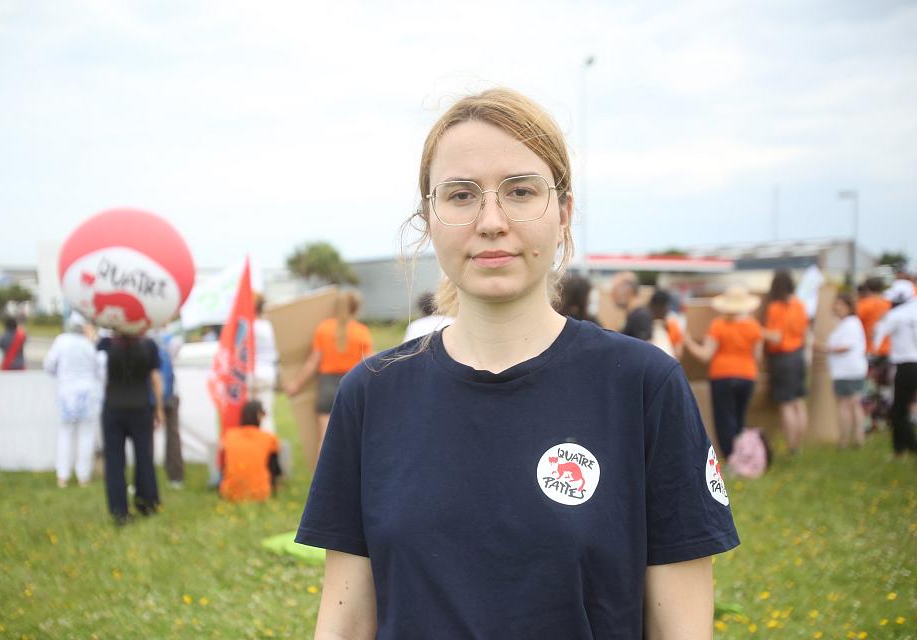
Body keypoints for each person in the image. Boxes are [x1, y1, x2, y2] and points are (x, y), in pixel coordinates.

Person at [296, 88, 738, 638]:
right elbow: (345, 624)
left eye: (521, 191)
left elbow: (683, 627)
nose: (491, 220)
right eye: (460, 196)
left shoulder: (642, 385)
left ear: (564, 212)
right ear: (428, 218)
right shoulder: (372, 393)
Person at [284, 290, 372, 454]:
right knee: (355, 438)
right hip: (352, 387)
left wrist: (295, 385)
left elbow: (312, 364)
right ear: (356, 308)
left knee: (325, 439)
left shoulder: (324, 329)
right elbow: (368, 366)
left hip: (327, 386)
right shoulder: (362, 332)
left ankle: (321, 478)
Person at [684, 285, 764, 459]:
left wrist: (688, 341)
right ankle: (743, 456)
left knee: (724, 420)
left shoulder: (718, 325)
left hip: (722, 376)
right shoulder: (754, 326)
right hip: (747, 376)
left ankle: (730, 457)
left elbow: (705, 355)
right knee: (740, 418)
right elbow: (758, 356)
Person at [97, 329, 164, 525]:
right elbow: (155, 379)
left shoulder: (106, 344)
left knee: (115, 463)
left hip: (113, 408)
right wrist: (159, 407)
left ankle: (119, 511)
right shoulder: (148, 345)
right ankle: (147, 502)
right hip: (140, 407)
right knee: (144, 457)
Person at [43, 313, 104, 488]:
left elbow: (49, 364)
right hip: (87, 395)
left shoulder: (61, 341)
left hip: (66, 394)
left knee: (65, 434)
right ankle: (83, 477)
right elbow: (98, 370)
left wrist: (62, 375)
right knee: (86, 435)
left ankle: (63, 476)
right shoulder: (88, 344)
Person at [763, 269, 809, 454]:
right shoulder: (799, 305)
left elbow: (775, 337)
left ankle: (792, 446)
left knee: (786, 404)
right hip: (799, 355)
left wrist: (756, 330)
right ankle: (799, 443)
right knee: (799, 401)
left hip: (782, 358)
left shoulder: (775, 307)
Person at [818, 293, 868, 448]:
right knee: (849, 404)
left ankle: (849, 438)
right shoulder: (845, 323)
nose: (838, 307)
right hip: (845, 370)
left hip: (848, 369)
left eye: (841, 304)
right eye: (836, 304)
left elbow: (846, 346)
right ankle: (853, 437)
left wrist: (824, 348)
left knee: (848, 404)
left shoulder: (851, 323)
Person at [873, 279, 917, 456]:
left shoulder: (896, 315)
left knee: (899, 410)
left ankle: (905, 448)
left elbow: (877, 335)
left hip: (905, 364)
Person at [219, 400, 281, 502]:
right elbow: (275, 468)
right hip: (260, 494)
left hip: (228, 493)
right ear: (258, 416)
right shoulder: (268, 438)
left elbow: (223, 463)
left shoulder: (229, 435)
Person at [857, 277, 892, 430]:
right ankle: (884, 420)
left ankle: (868, 423)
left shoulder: (864, 305)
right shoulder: (888, 303)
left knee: (869, 389)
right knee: (885, 389)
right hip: (888, 350)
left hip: (870, 350)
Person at [154, 328, 183, 489]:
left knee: (146, 438)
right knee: (173, 434)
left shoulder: (147, 338)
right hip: (171, 393)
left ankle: (146, 477)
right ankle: (176, 476)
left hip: (151, 394)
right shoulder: (173, 340)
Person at [252, 294, 281, 433]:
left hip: (249, 375)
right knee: (266, 414)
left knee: (248, 416)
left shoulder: (246, 327)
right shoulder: (270, 327)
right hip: (268, 373)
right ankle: (269, 450)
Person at [611, 271, 652, 340]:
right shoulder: (633, 314)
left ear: (628, 290)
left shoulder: (640, 316)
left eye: (615, 290)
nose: (612, 295)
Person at [648, 288, 682, 358]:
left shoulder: (672, 325)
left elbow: (678, 353)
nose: (659, 310)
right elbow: (678, 353)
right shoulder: (672, 325)